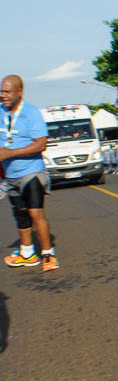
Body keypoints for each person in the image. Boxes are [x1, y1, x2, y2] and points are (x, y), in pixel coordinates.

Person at [0, 75, 58, 271]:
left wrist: (11, 152)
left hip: (31, 172)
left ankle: (48, 254)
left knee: (35, 213)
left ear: (19, 92)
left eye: (7, 92)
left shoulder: (31, 112)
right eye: (1, 91)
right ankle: (27, 254)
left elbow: (41, 144)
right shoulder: (0, 111)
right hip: (10, 175)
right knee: (20, 215)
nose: (3, 95)